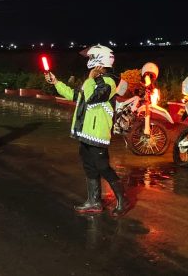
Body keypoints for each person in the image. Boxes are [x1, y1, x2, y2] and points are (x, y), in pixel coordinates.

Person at [45, 45, 128, 216]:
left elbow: (91, 98)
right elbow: (76, 96)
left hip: (97, 133)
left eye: (91, 58)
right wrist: (56, 83)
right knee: (89, 167)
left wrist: (90, 79)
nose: (88, 62)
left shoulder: (110, 81)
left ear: (99, 60)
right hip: (85, 132)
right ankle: (94, 202)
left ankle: (123, 200)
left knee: (103, 167)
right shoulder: (94, 80)